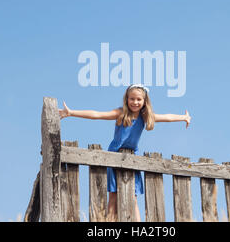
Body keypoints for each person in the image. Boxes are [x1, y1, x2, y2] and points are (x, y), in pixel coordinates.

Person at [58, 84, 191, 221]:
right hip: (115, 155)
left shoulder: (145, 116)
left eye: (139, 99)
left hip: (132, 157)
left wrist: (183, 117)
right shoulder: (121, 113)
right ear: (127, 99)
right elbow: (97, 114)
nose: (135, 102)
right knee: (114, 195)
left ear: (145, 101)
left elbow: (166, 117)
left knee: (133, 195)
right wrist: (71, 112)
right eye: (132, 99)